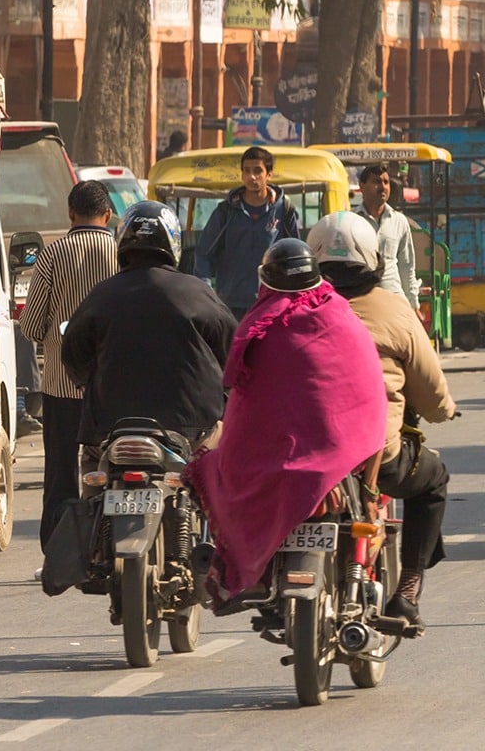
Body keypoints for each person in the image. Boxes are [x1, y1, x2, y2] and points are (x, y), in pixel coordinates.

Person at [185, 239, 388, 607]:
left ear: (265, 281)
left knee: (215, 465)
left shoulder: (256, 327)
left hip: (275, 468)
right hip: (340, 461)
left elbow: (243, 410)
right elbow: (370, 397)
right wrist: (371, 489)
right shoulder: (340, 316)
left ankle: (255, 570)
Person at [307, 213, 459, 630]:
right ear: (372, 261)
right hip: (377, 452)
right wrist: (443, 411)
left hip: (301, 451)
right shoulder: (393, 310)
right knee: (434, 480)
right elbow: (431, 394)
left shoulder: (294, 307)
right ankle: (407, 590)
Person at [63, 202, 237, 468]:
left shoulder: (102, 295)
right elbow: (231, 351)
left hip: (109, 427)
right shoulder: (197, 293)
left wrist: (93, 381)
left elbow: (73, 351)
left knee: (91, 472)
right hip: (192, 428)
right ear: (172, 243)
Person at [18, 180, 117, 555]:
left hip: (61, 385)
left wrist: (57, 333)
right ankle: (107, 544)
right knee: (113, 465)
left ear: (70, 214)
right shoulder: (120, 253)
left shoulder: (53, 254)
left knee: (60, 472)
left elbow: (29, 326)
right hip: (111, 387)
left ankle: (60, 553)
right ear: (107, 214)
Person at [194, 146, 301, 321]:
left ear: (269, 174)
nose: (252, 177)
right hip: (230, 306)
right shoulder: (226, 211)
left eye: (258, 171)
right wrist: (207, 294)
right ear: (242, 174)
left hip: (271, 305)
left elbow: (295, 256)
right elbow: (204, 254)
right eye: (247, 171)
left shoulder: (284, 210)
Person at [356, 162, 421, 312]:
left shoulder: (399, 221)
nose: (383, 186)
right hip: (363, 300)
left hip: (394, 299)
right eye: (376, 182)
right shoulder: (352, 220)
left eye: (386, 182)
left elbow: (407, 268)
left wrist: (414, 306)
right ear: (362, 186)